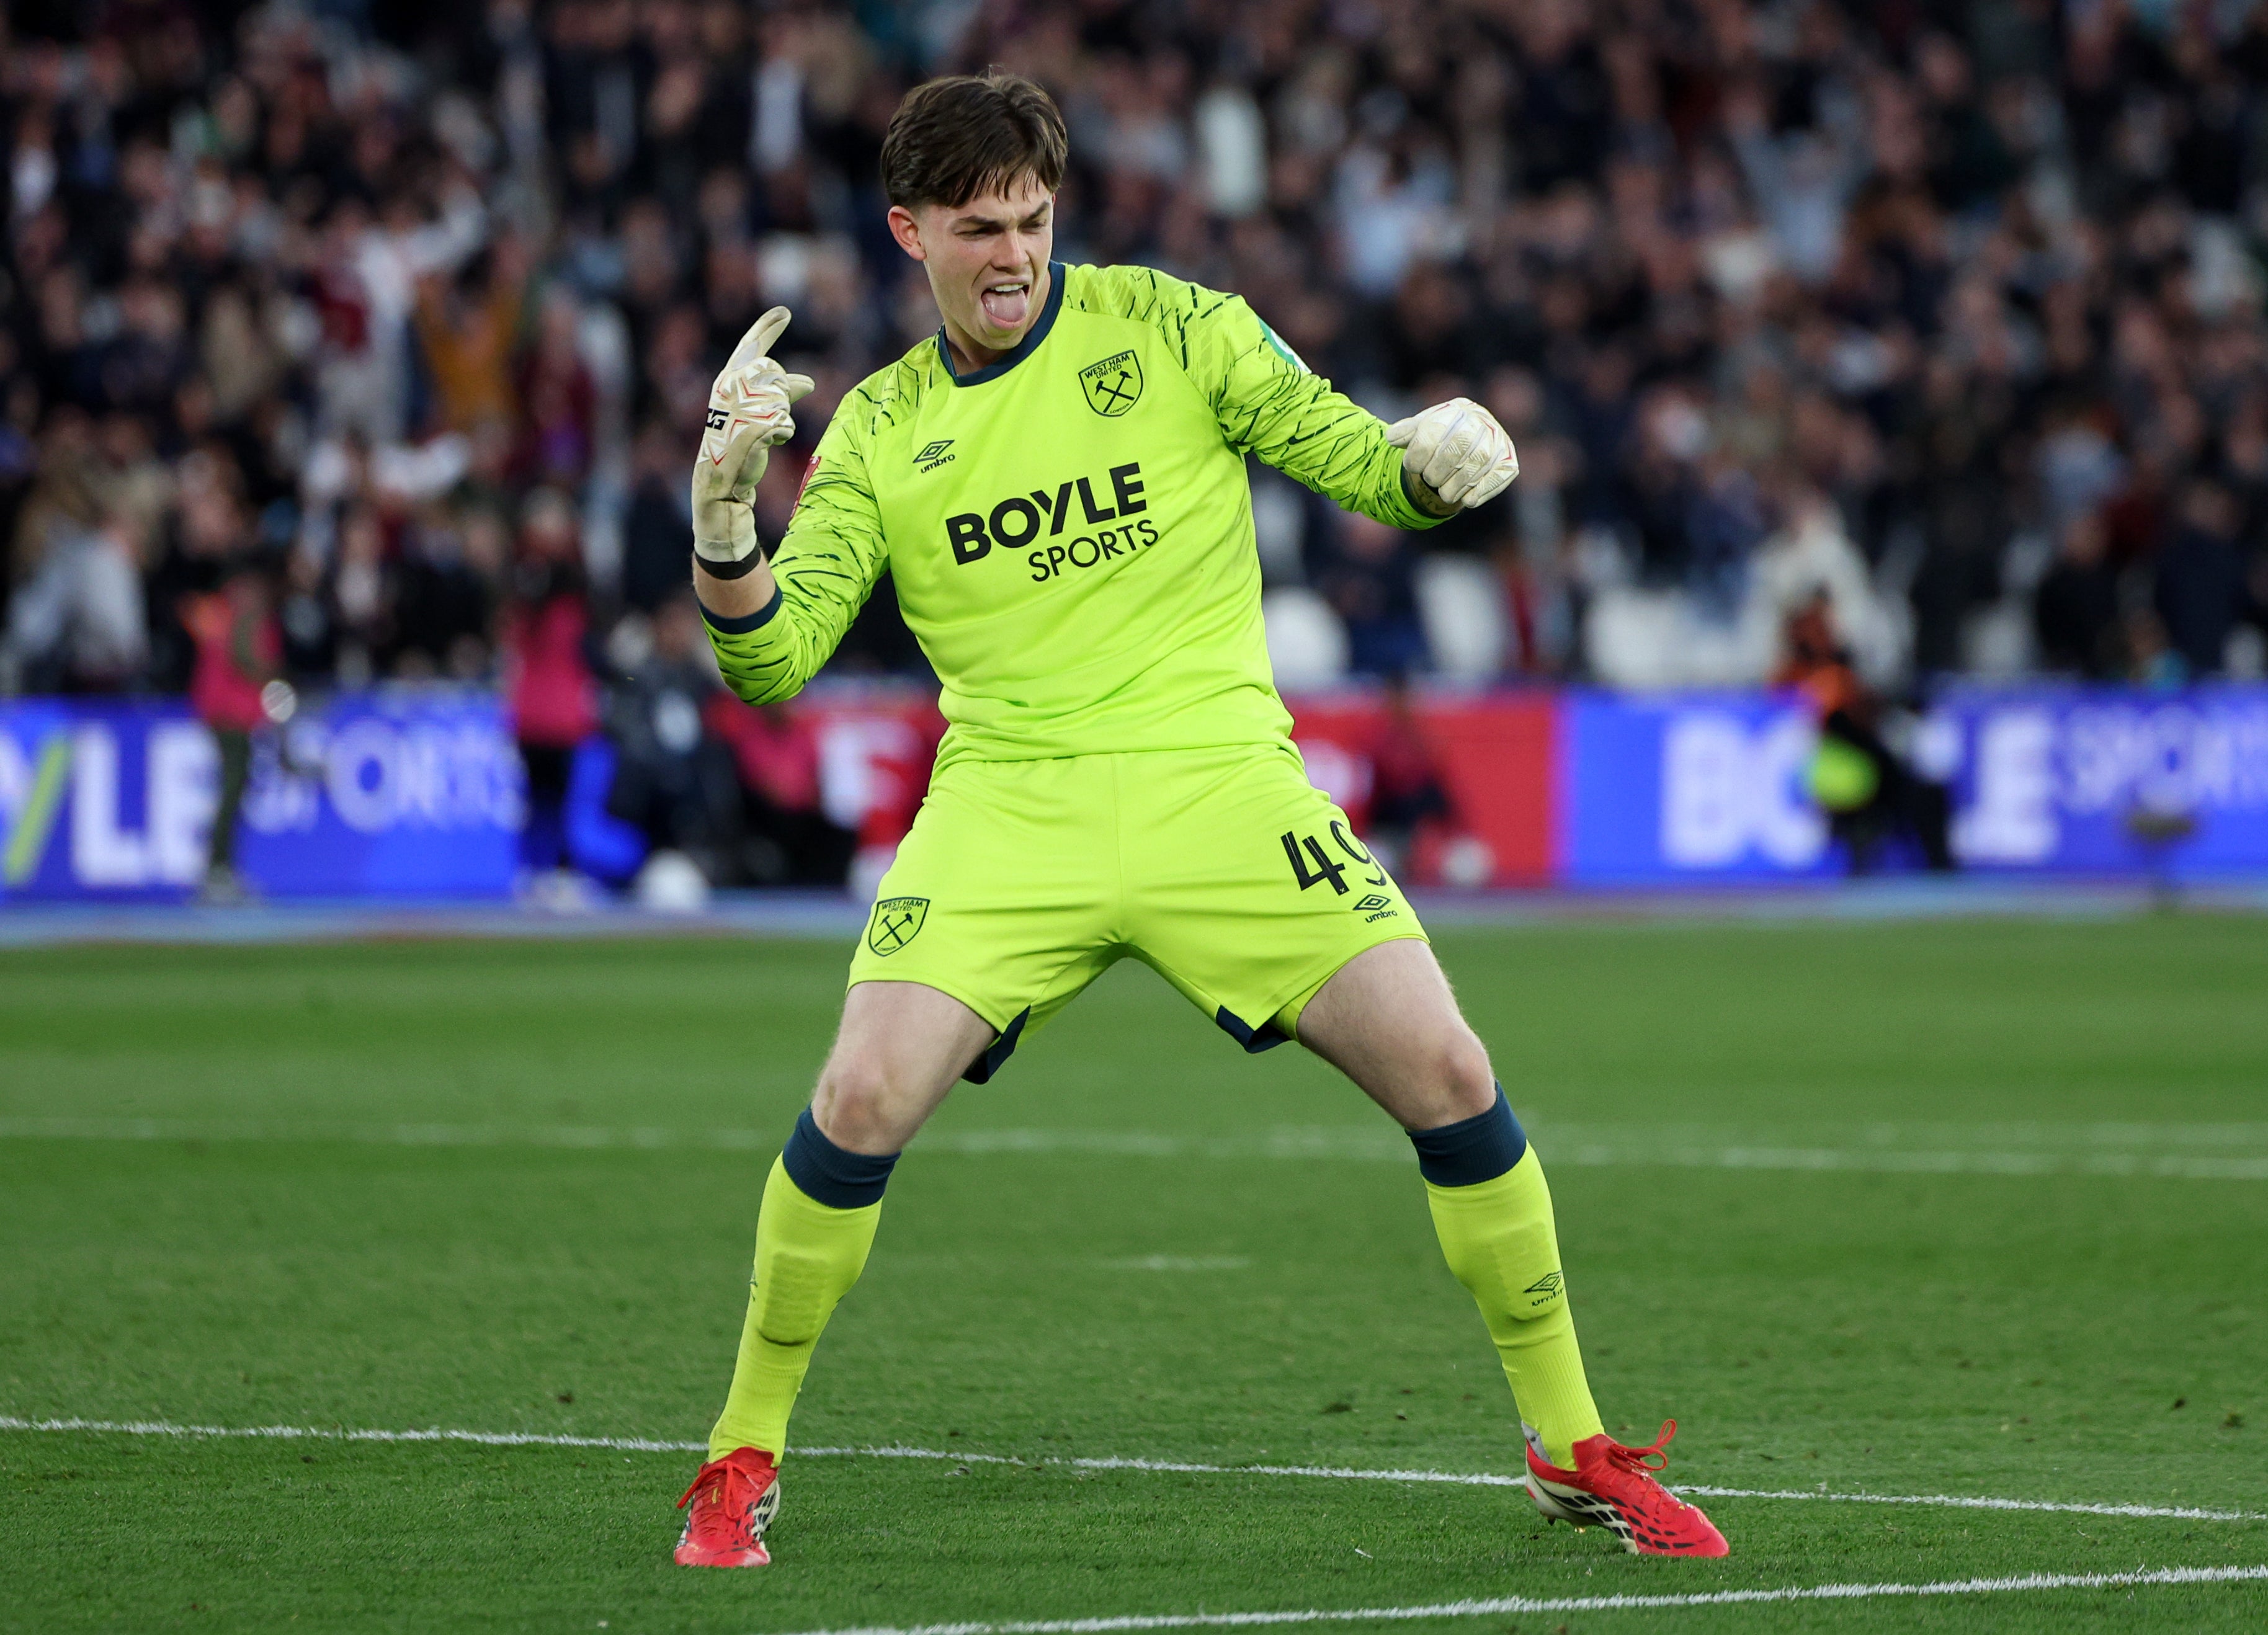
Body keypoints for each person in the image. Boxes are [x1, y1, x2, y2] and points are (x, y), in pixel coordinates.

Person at [671, 73, 1726, 1569]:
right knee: (856, 1101)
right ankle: (740, 1453)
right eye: (978, 229)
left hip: (1217, 784)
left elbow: (1359, 461)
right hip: (1011, 804)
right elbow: (770, 661)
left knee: (1448, 1067)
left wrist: (1433, 468)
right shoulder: (880, 430)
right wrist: (725, 525)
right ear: (909, 233)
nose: (1014, 255)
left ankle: (1569, 1443)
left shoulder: (1176, 327)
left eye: (1033, 220)